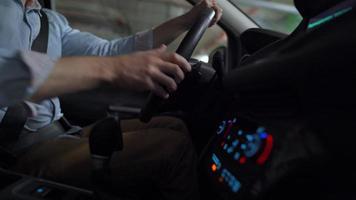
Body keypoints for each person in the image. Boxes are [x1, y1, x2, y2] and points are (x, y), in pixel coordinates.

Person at [0, 0, 222, 199]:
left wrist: (186, 20)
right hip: (15, 153)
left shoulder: (50, 21)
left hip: (58, 132)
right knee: (174, 149)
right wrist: (115, 69)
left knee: (175, 125)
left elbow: (110, 51)